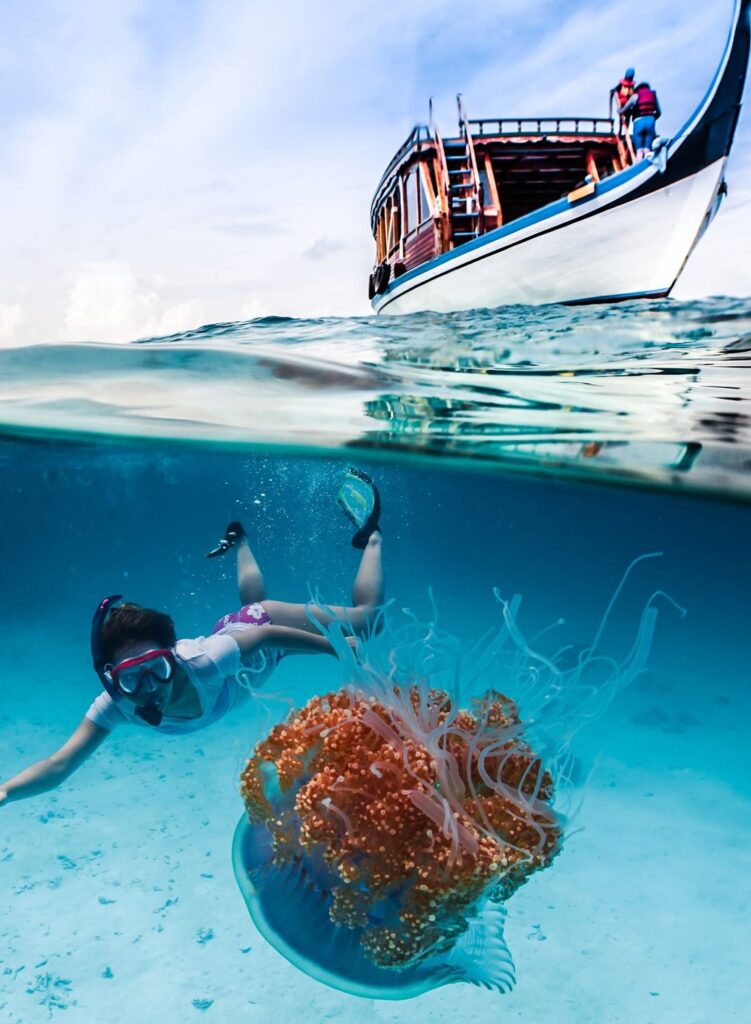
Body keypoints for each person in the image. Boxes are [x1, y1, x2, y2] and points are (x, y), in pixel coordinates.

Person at [0, 468, 383, 808]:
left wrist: (334, 648)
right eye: (133, 677)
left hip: (257, 627)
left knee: (365, 623)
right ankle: (241, 540)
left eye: (157, 669)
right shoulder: (116, 705)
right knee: (252, 602)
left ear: (173, 656)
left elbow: (264, 635)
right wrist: (4, 793)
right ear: (111, 679)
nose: (150, 688)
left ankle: (372, 535)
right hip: (244, 651)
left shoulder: (205, 660)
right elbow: (59, 764)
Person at [620, 81, 662, 158]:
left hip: (638, 122)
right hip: (650, 121)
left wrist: (619, 110)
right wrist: (652, 118)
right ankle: (648, 162)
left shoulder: (635, 96)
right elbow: (659, 112)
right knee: (647, 149)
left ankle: (639, 163)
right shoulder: (653, 95)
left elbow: (624, 109)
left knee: (639, 150)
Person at [610, 67, 636, 134]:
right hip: (622, 104)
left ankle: (625, 131)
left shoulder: (632, 86)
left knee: (627, 118)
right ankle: (621, 130)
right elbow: (615, 89)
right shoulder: (621, 84)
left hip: (628, 105)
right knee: (622, 118)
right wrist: (613, 91)